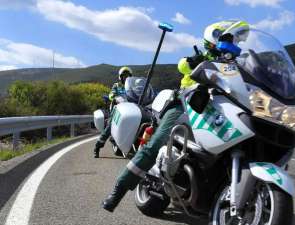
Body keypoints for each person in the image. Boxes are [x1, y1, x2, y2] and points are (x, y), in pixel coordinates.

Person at [101, 20, 250, 213]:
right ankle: (118, 191)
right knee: (156, 143)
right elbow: (183, 65)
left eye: (237, 41)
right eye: (232, 39)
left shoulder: (236, 66)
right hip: (187, 104)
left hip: (218, 110)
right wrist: (194, 62)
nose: (235, 44)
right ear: (216, 38)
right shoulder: (202, 57)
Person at [93, 66, 132, 158]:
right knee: (110, 125)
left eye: (128, 76)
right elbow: (111, 94)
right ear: (120, 77)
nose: (126, 78)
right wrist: (114, 97)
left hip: (130, 109)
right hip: (118, 109)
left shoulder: (131, 87)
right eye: (124, 76)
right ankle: (97, 146)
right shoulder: (116, 85)